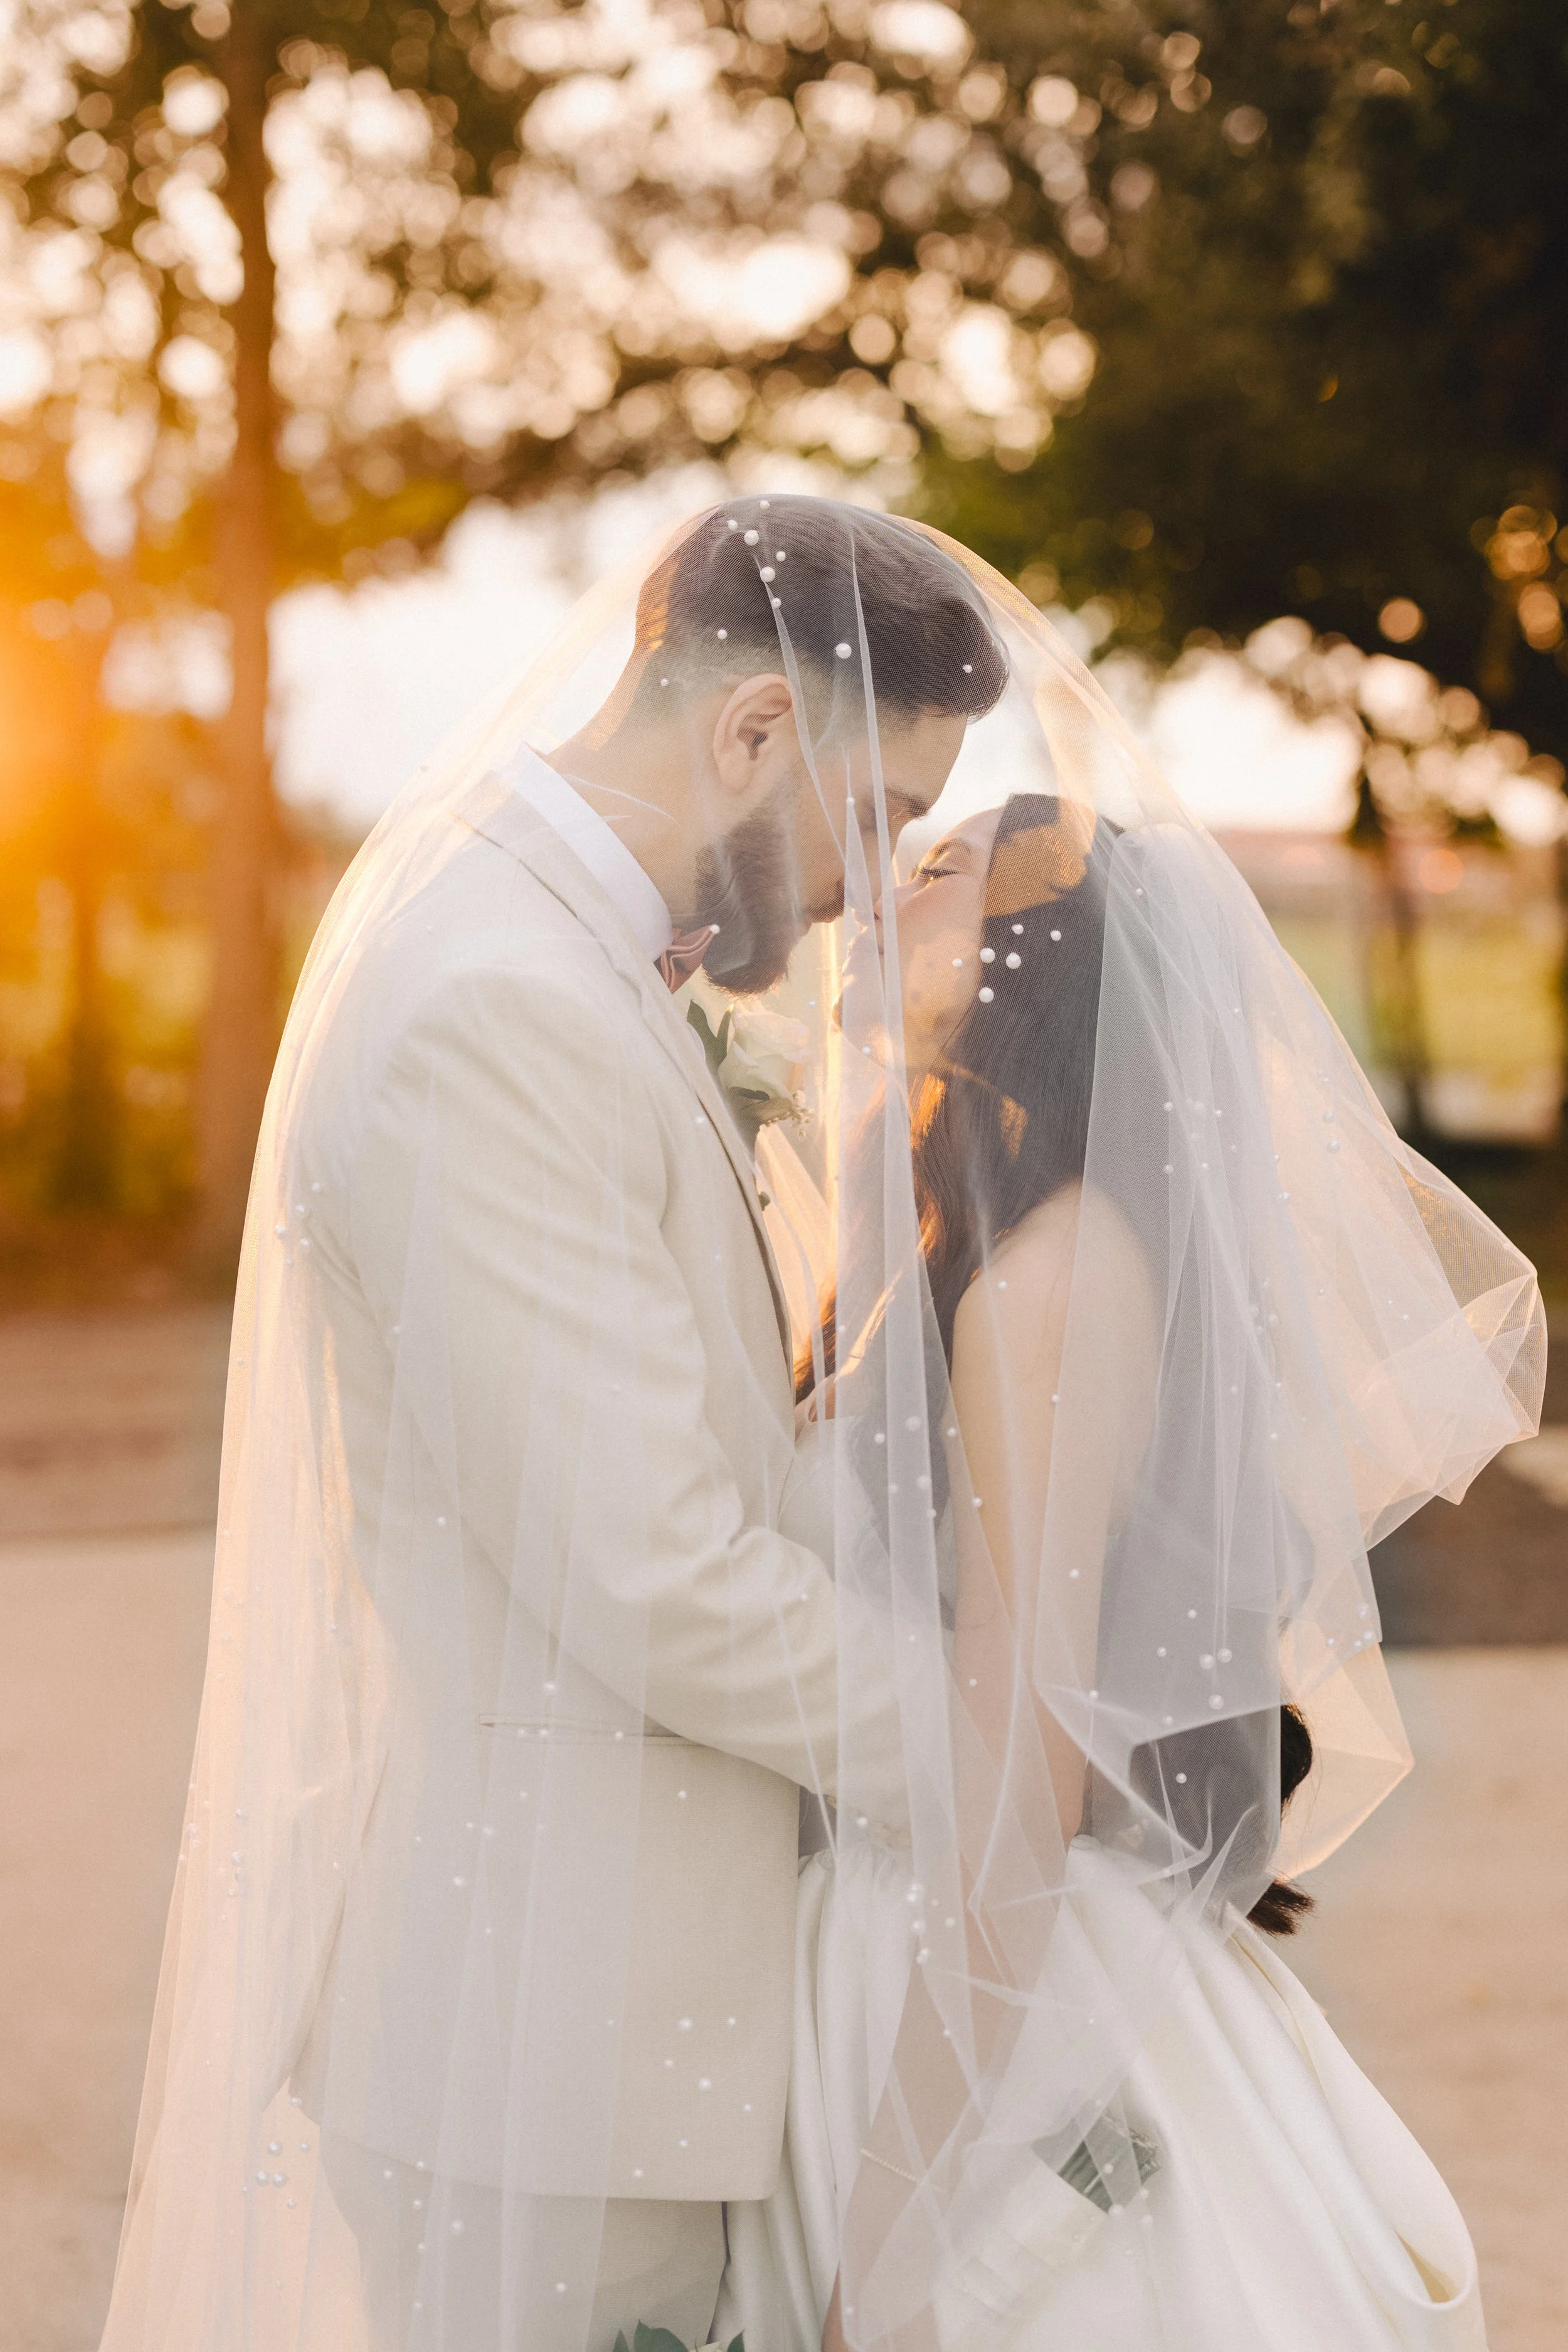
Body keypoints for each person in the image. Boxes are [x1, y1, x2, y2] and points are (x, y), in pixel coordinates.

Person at [95, 498, 1004, 2352]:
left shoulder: (578, 969)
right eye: (879, 814)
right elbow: (650, 1564)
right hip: (556, 2055)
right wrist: (1012, 1756)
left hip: (631, 2037)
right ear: (752, 727)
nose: (869, 882)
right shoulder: (493, 1005)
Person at [721, 790, 1538, 2348]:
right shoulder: (960, 1244)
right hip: (903, 1942)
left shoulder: (1053, 1282)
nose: (870, 907)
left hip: (980, 1982)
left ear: (1040, 959)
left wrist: (890, 2237)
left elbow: (1025, 1768)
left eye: (939, 875)